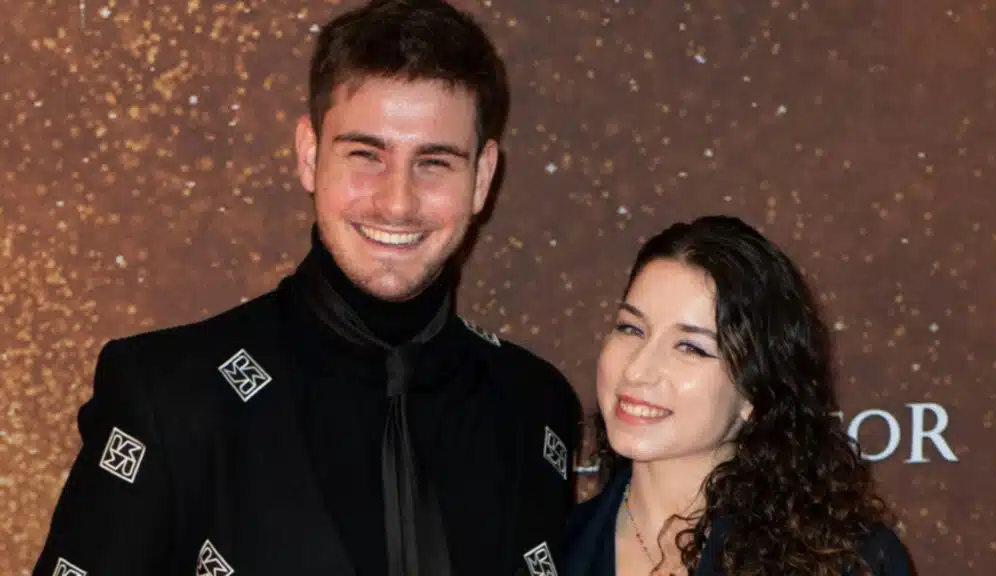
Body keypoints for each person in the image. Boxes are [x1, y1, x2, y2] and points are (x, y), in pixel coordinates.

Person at [33, 1, 581, 575]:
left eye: (434, 162)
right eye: (366, 155)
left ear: (483, 178)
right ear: (309, 153)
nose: (397, 202)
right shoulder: (169, 397)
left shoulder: (536, 407)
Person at [559, 216, 912, 575]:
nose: (637, 370)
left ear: (753, 392)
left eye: (690, 347)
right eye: (631, 328)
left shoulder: (850, 561)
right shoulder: (550, 551)